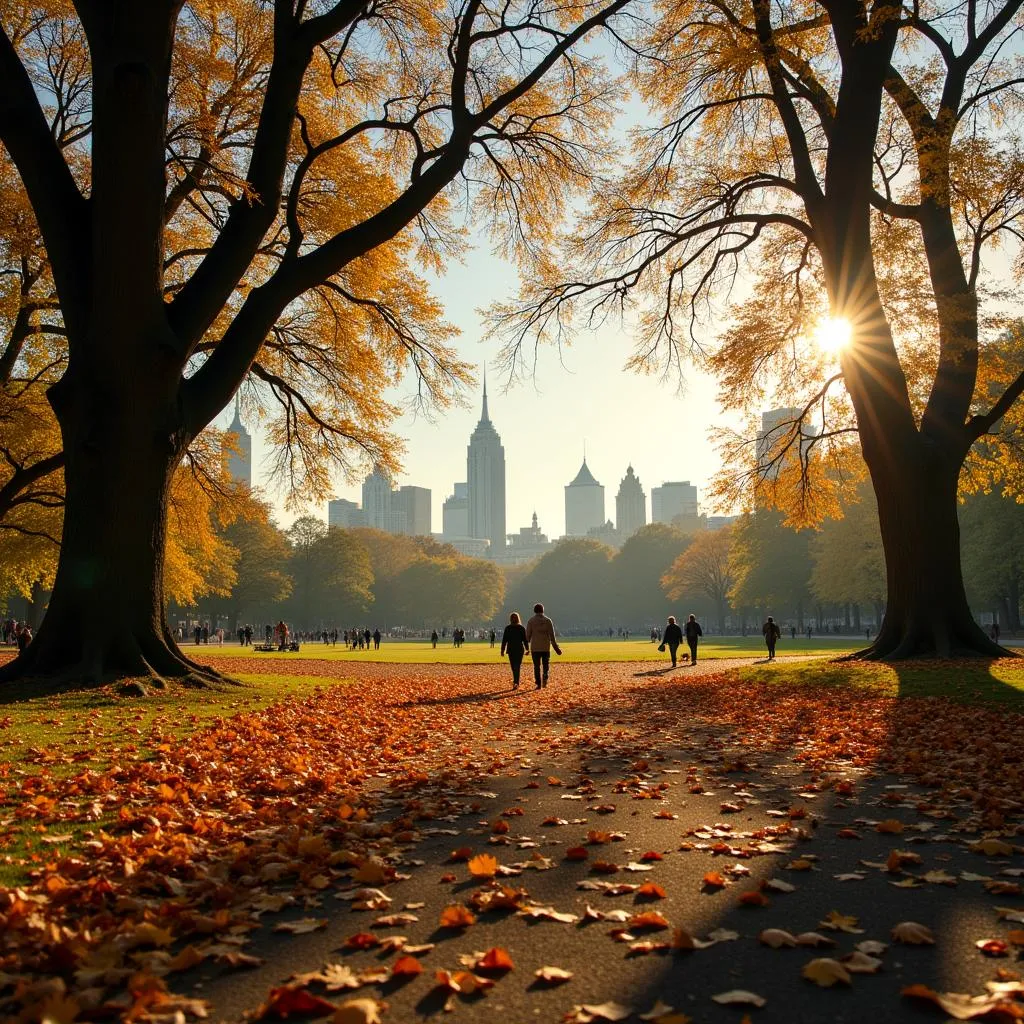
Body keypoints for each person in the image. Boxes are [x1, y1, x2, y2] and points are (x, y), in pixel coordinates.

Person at [525, 602, 561, 688]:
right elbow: (552, 636)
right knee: (546, 664)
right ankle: (545, 675)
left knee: (536, 666)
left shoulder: (531, 621)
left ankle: (538, 683)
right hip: (545, 647)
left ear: (534, 610)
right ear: (542, 610)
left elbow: (527, 635)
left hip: (535, 647)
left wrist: (526, 647)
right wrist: (556, 648)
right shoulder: (548, 621)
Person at [500, 612, 529, 689]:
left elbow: (504, 640)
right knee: (517, 666)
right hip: (519, 649)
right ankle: (516, 682)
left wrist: (502, 650)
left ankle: (516, 681)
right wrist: (527, 648)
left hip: (511, 649)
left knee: (513, 666)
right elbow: (525, 640)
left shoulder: (508, 628)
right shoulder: (521, 628)